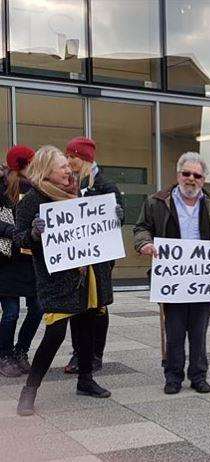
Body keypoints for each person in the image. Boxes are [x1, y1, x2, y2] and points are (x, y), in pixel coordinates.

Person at [133, 152, 210, 395]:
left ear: (203, 180)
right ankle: (173, 376)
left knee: (199, 331)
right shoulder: (157, 202)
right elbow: (142, 228)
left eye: (197, 175)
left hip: (203, 278)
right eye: (186, 174)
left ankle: (198, 375)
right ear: (178, 175)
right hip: (172, 277)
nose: (191, 179)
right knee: (174, 330)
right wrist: (144, 244)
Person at [16, 145, 112, 416]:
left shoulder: (75, 194)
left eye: (69, 167)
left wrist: (112, 219)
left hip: (84, 274)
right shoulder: (32, 200)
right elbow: (20, 239)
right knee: (55, 334)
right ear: (47, 170)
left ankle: (85, 380)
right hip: (56, 279)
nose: (69, 170)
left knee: (85, 329)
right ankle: (29, 390)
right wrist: (34, 234)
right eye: (62, 167)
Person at [63, 137, 123, 374]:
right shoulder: (68, 186)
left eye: (72, 157)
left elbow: (118, 222)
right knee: (76, 308)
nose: (68, 161)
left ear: (85, 159)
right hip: (76, 259)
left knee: (98, 307)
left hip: (98, 260)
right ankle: (80, 352)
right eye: (67, 157)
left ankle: (95, 355)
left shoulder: (106, 186)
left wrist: (118, 215)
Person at [0, 146, 42, 377]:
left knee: (38, 309)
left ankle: (20, 351)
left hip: (31, 261)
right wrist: (15, 231)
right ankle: (3, 354)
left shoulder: (38, 189)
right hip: (7, 261)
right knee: (11, 312)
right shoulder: (2, 190)